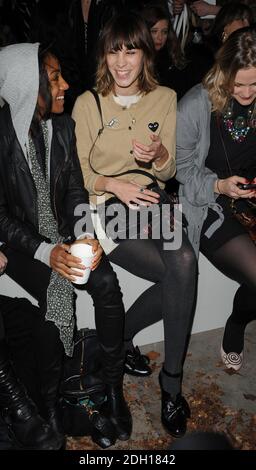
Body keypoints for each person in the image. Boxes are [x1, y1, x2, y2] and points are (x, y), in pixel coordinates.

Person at [0, 42, 132, 449]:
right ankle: (52, 403)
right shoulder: (1, 136)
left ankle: (112, 388)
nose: (65, 85)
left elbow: (75, 189)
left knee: (107, 285)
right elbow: (1, 215)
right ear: (27, 85)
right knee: (60, 292)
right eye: (54, 78)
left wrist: (83, 234)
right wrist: (45, 252)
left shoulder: (63, 127)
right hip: (24, 246)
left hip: (64, 235)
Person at [72, 11, 197, 438]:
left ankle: (171, 382)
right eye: (113, 51)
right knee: (179, 275)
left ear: (146, 54)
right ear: (103, 55)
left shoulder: (163, 97)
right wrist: (115, 184)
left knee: (183, 260)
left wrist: (160, 154)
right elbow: (82, 175)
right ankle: (123, 339)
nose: (122, 62)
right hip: (105, 206)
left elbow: (167, 172)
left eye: (132, 51)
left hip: (151, 198)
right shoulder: (88, 102)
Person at [175, 27, 256, 372]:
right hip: (210, 205)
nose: (248, 92)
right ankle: (237, 323)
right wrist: (220, 186)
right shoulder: (196, 104)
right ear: (223, 73)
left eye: (255, 84)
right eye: (239, 84)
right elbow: (181, 171)